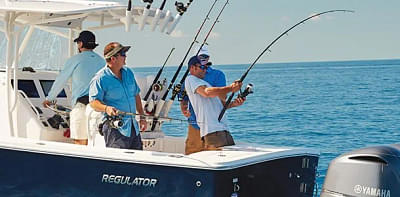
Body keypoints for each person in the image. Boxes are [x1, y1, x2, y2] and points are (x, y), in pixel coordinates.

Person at [42, 30, 105, 145]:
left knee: (80, 143)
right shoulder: (102, 61)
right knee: (95, 143)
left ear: (80, 44)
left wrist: (49, 99)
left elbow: (61, 80)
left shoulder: (75, 60)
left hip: (81, 106)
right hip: (98, 107)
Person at [89, 42, 147, 150]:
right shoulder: (100, 78)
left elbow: (136, 95)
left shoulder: (128, 72)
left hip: (133, 128)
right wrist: (106, 108)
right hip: (115, 129)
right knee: (117, 165)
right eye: (123, 54)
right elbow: (93, 102)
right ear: (113, 59)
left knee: (138, 163)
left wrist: (142, 117)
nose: (126, 56)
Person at [184, 55, 245, 151]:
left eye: (207, 67)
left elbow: (222, 105)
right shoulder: (191, 80)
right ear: (192, 68)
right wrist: (231, 88)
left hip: (224, 129)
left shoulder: (205, 84)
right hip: (212, 131)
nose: (205, 70)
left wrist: (234, 103)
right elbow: (206, 93)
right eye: (202, 67)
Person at [180, 46, 227, 155]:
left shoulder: (218, 75)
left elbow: (223, 97)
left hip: (213, 125)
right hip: (194, 123)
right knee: (192, 155)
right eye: (201, 56)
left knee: (215, 156)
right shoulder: (190, 77)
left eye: (206, 56)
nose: (204, 59)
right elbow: (183, 94)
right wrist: (183, 107)